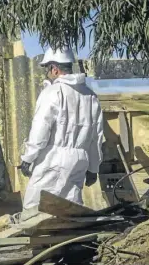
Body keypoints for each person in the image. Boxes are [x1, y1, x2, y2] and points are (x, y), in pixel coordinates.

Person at [19, 47, 104, 211]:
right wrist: (93, 168)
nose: (47, 74)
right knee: (70, 209)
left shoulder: (52, 92)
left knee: (35, 209)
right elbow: (96, 136)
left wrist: (28, 157)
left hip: (53, 159)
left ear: (54, 69)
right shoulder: (90, 96)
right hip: (80, 159)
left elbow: (40, 129)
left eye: (47, 70)